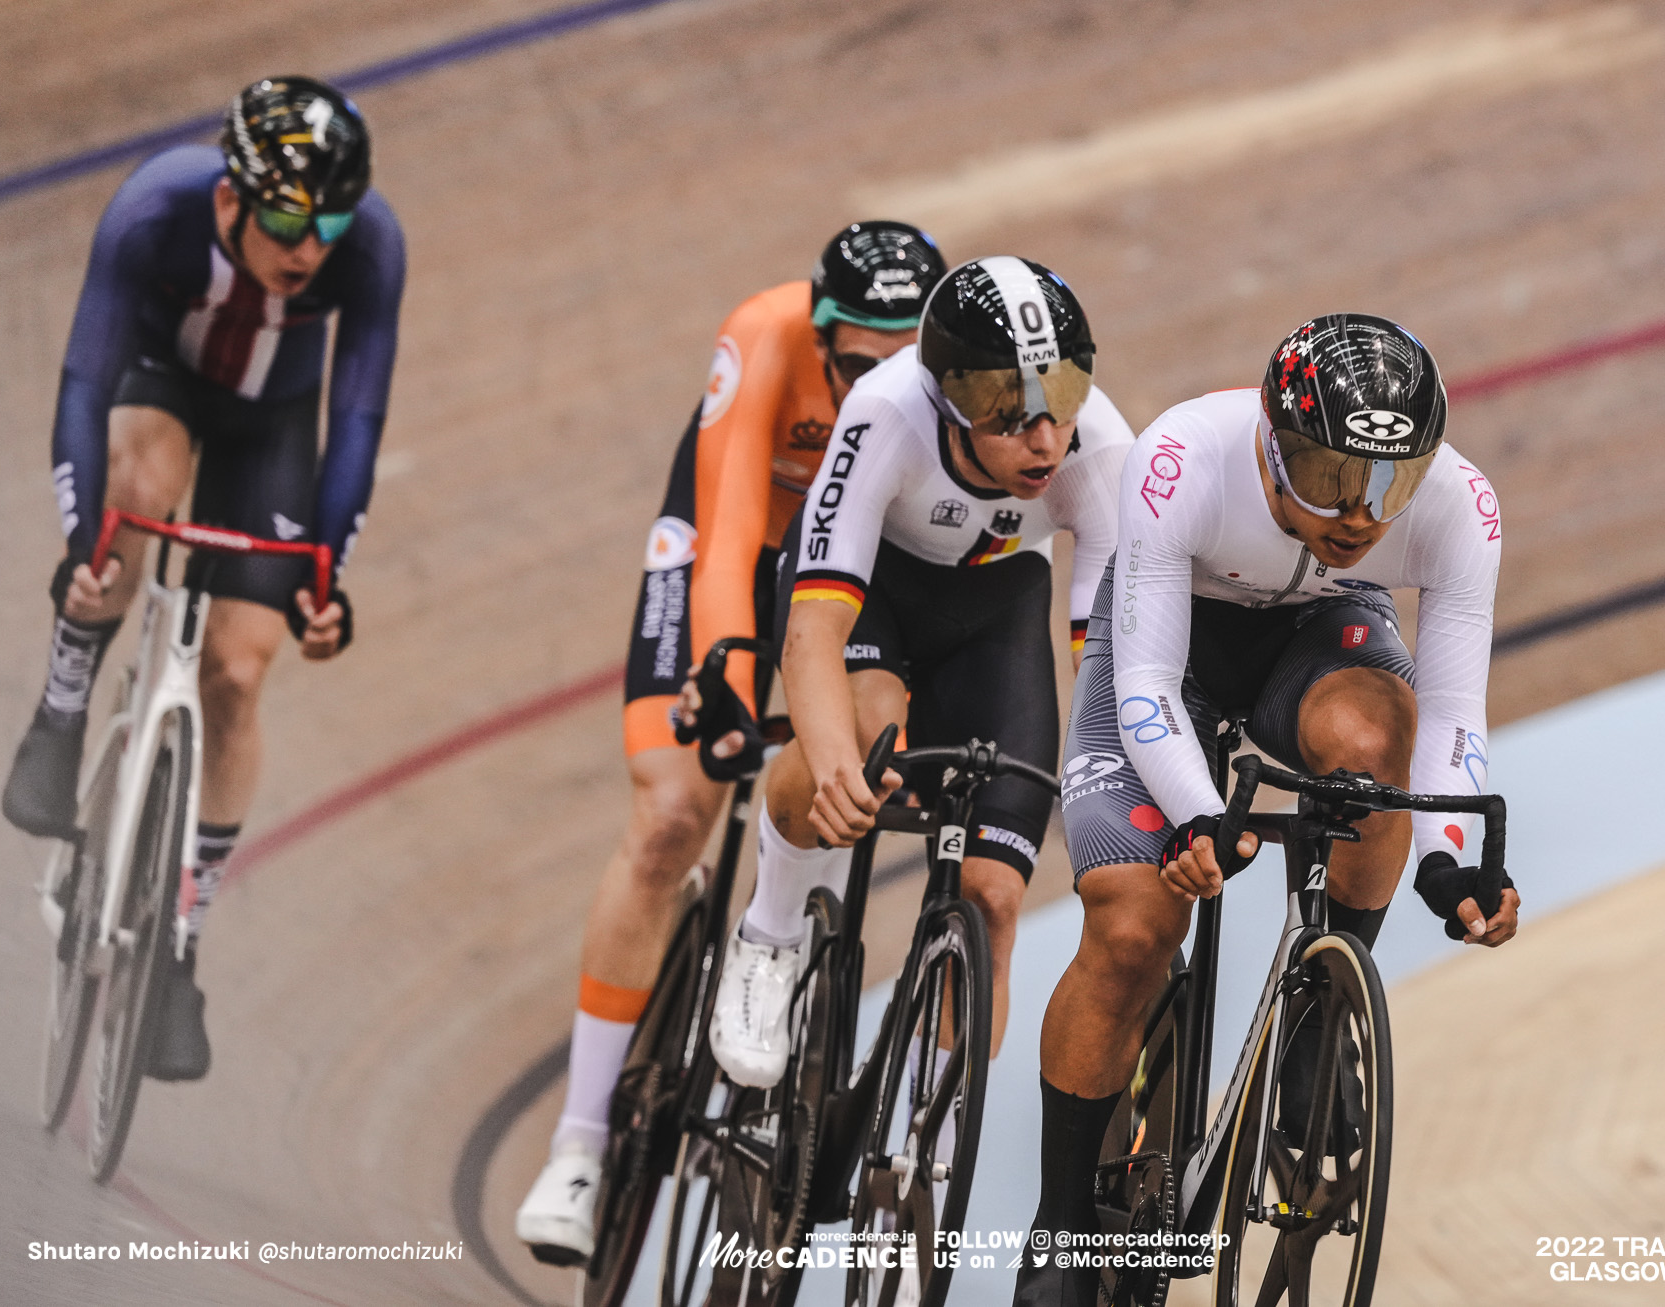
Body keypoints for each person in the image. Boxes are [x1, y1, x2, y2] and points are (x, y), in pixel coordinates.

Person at [1014, 313, 1520, 1304]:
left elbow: (1454, 713)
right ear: (1272, 440)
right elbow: (1148, 686)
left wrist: (1450, 857)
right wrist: (1201, 813)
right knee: (1132, 924)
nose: (1359, 513)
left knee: (1376, 756)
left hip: (1324, 634)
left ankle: (1317, 1022)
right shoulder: (1182, 457)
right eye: (1331, 475)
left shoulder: (1461, 503)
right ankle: (1065, 1223)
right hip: (1174, 653)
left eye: (1390, 482)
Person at [514, 221, 948, 1266]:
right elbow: (732, 511)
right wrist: (726, 664)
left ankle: (792, 968)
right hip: (736, 548)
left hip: (858, 567)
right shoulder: (763, 336)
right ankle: (578, 1143)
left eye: (904, 363)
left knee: (852, 754)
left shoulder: (949, 384)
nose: (876, 385)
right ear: (823, 331)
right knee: (671, 815)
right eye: (856, 365)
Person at [0, 76, 402, 1084]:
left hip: (272, 426)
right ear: (232, 198)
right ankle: (62, 705)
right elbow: (84, 381)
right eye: (283, 216)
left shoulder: (371, 248)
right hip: (157, 386)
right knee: (136, 491)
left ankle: (180, 939)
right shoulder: (153, 211)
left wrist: (326, 576)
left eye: (329, 221)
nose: (307, 245)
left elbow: (355, 421)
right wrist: (81, 548)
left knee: (238, 669)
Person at [704, 256, 1133, 1098]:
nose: (1044, 438)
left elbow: (1107, 662)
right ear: (950, 398)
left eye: (1063, 394)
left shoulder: (1102, 449)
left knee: (996, 895)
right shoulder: (884, 415)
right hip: (876, 593)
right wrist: (828, 762)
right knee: (863, 740)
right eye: (1008, 414)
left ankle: (927, 1147)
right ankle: (770, 929)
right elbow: (814, 628)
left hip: (997, 608)